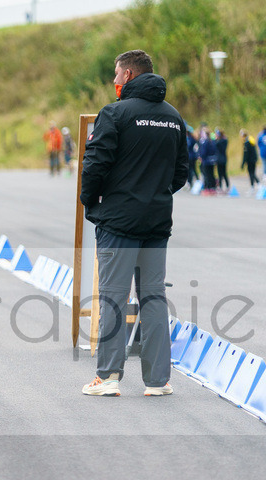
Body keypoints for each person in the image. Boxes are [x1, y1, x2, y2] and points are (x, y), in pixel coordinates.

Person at [79, 49, 187, 397]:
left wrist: (90, 200)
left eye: (116, 74)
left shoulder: (115, 113)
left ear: (128, 75)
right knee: (153, 298)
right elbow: (181, 173)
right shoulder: (173, 118)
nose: (113, 81)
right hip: (156, 223)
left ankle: (108, 376)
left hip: (119, 222)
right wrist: (155, 194)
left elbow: (94, 165)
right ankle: (158, 381)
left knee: (113, 298)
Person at [198, 126, 218, 194]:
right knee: (211, 174)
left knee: (207, 174)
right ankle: (213, 187)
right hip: (212, 160)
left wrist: (200, 156)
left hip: (206, 161)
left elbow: (203, 152)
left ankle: (208, 187)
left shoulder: (205, 142)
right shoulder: (212, 141)